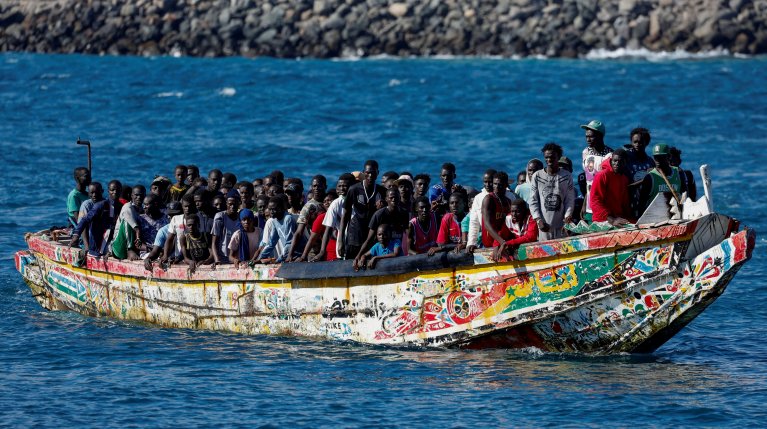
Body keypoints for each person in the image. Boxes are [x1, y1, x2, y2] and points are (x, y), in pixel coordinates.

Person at [339, 160, 386, 259]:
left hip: (371, 235)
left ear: (377, 173)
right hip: (355, 234)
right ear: (363, 172)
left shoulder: (382, 191)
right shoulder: (354, 189)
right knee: (351, 262)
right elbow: (345, 215)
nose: (370, 175)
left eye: (373, 172)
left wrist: (383, 208)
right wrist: (340, 240)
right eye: (367, 172)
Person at [530, 142, 575, 240]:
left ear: (558, 157)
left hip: (561, 226)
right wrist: (538, 220)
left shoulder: (566, 176)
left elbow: (569, 200)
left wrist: (567, 217)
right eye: (546, 157)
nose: (549, 160)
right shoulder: (537, 176)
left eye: (552, 157)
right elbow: (533, 201)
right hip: (543, 227)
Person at [356, 187, 410, 263]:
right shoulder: (379, 215)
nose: (394, 199)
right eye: (391, 198)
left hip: (396, 250)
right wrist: (359, 256)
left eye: (396, 197)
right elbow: (369, 239)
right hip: (380, 250)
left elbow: (408, 235)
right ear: (386, 199)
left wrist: (410, 251)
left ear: (399, 198)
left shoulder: (404, 213)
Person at [315, 173, 354, 262]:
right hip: (343, 244)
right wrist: (322, 251)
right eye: (339, 186)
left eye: (344, 186)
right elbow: (328, 229)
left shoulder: (358, 200)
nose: (341, 189)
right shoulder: (336, 203)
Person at [287, 175, 327, 261]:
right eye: (314, 186)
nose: (316, 188)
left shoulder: (329, 203)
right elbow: (298, 232)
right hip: (314, 252)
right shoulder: (309, 207)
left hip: (329, 249)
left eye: (319, 185)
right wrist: (290, 254)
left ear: (325, 186)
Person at [580, 120, 613, 222]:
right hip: (590, 202)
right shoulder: (586, 152)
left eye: (591, 136)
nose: (588, 139)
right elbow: (588, 180)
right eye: (586, 136)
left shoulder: (609, 155)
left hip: (603, 202)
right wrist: (585, 203)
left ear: (600, 136)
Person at [639, 143, 687, 214]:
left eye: (661, 157)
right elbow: (641, 205)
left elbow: (685, 196)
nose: (657, 160)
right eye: (655, 157)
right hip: (655, 217)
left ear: (668, 157)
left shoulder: (679, 173)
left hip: (676, 215)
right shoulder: (650, 178)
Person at [590, 149, 633, 225]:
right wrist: (612, 219)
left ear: (626, 162)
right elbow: (594, 201)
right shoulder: (602, 175)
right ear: (611, 160)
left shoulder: (624, 179)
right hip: (602, 220)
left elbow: (625, 203)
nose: (617, 164)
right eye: (615, 161)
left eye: (620, 161)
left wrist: (628, 219)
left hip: (617, 219)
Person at [625, 127, 656, 219]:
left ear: (646, 143)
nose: (637, 144)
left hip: (646, 203)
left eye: (640, 142)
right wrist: (645, 180)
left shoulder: (650, 161)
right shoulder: (626, 159)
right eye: (635, 142)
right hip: (630, 203)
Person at [299, 191, 338, 262]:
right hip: (330, 255)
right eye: (324, 201)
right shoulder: (321, 218)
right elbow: (312, 239)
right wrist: (303, 256)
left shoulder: (343, 215)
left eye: (329, 200)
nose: (326, 203)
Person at [110, 185, 147, 260]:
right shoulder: (127, 207)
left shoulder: (143, 210)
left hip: (136, 244)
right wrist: (137, 231)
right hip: (119, 247)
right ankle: (130, 250)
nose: (139, 197)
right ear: (131, 196)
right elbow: (135, 227)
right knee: (127, 221)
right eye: (136, 195)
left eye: (141, 195)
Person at [143, 201, 183, 270]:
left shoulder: (189, 227)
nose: (174, 218)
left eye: (176, 215)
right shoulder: (163, 231)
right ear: (168, 216)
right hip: (172, 261)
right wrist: (148, 258)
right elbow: (155, 251)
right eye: (171, 215)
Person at [257, 196, 297, 263]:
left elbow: (289, 243)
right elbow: (271, 243)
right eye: (270, 209)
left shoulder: (288, 219)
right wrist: (260, 258)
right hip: (287, 255)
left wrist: (278, 260)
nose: (271, 212)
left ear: (281, 208)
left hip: (296, 255)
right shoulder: (275, 220)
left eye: (274, 209)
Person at [428, 190, 469, 255]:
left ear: (464, 204)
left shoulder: (470, 218)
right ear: (449, 205)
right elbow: (441, 244)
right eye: (452, 203)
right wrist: (457, 245)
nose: (454, 205)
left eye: (457, 202)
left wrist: (462, 245)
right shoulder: (446, 219)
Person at [466, 168, 497, 253]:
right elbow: (474, 223)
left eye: (490, 182)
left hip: (503, 238)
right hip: (487, 240)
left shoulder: (507, 196)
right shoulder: (478, 198)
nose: (487, 184)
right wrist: (471, 243)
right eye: (485, 182)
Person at [480, 171, 513, 248]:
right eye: (495, 184)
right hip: (490, 244)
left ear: (506, 185)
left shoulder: (508, 201)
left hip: (503, 242)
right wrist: (501, 241)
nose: (497, 187)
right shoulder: (489, 199)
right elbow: (487, 225)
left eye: (500, 184)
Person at [211, 190, 241, 266]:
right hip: (222, 258)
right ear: (226, 203)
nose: (233, 207)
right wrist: (217, 260)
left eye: (235, 204)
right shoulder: (220, 217)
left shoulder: (241, 218)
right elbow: (214, 243)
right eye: (230, 204)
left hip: (237, 259)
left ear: (239, 203)